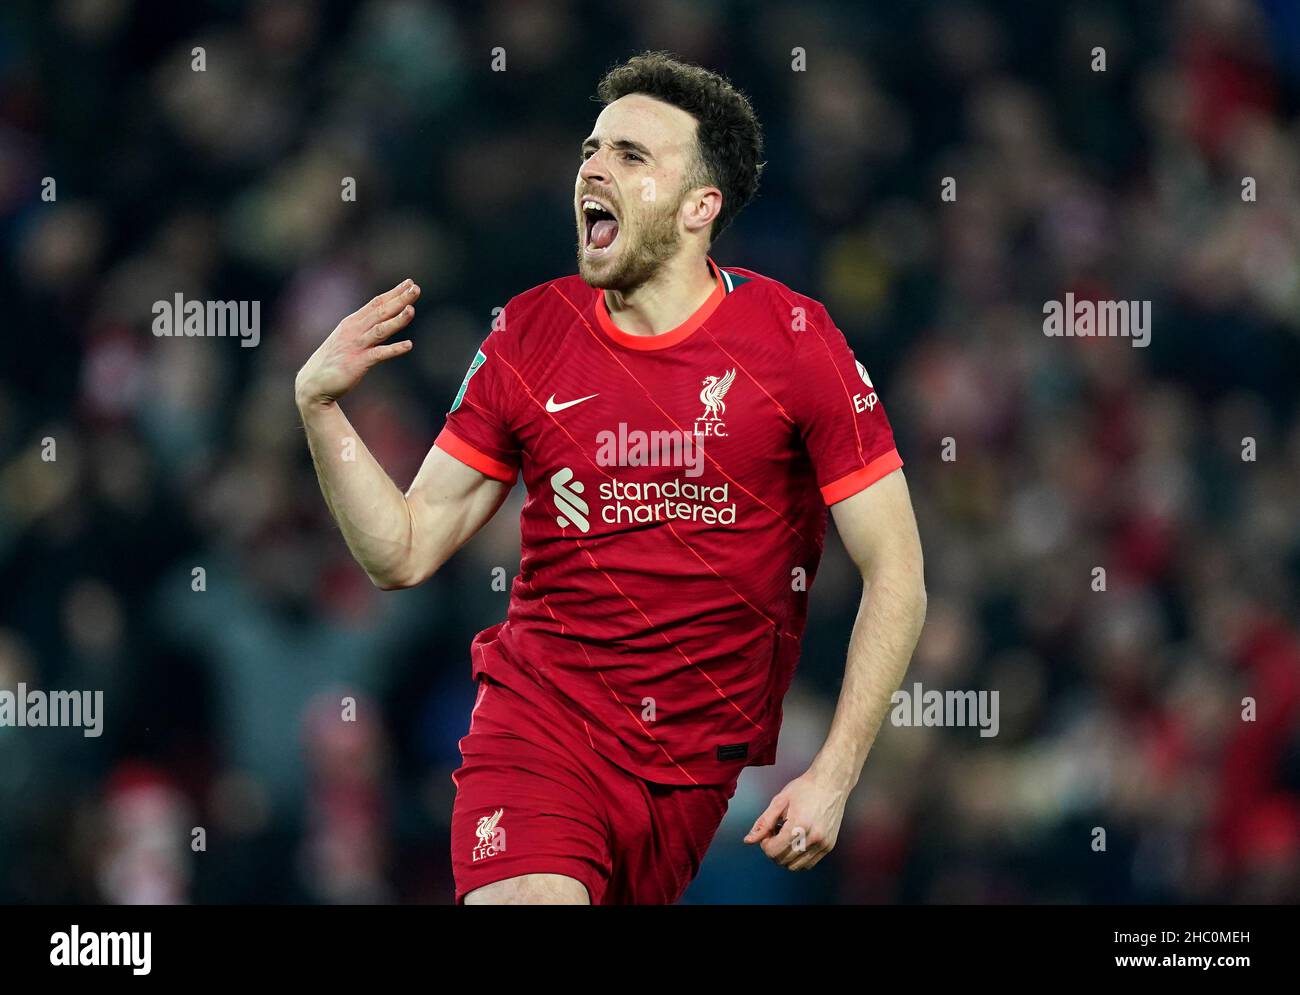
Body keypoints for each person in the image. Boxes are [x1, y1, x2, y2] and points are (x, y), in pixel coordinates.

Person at [294, 52, 927, 905]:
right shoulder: (528, 333)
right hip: (539, 728)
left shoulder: (794, 341)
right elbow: (400, 551)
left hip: (691, 773)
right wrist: (321, 410)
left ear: (701, 207)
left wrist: (837, 775)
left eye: (632, 155)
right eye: (593, 149)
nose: (594, 166)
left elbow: (898, 572)